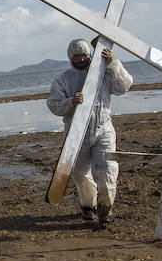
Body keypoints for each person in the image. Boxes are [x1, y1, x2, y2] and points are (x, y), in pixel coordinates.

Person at [47, 38, 133, 226]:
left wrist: (113, 63)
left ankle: (105, 209)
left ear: (90, 55)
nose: (81, 59)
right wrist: (71, 102)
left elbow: (124, 86)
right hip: (77, 133)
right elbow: (53, 104)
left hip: (103, 128)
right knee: (79, 172)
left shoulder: (103, 73)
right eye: (76, 56)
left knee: (108, 168)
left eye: (84, 55)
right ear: (70, 58)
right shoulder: (63, 79)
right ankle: (88, 206)